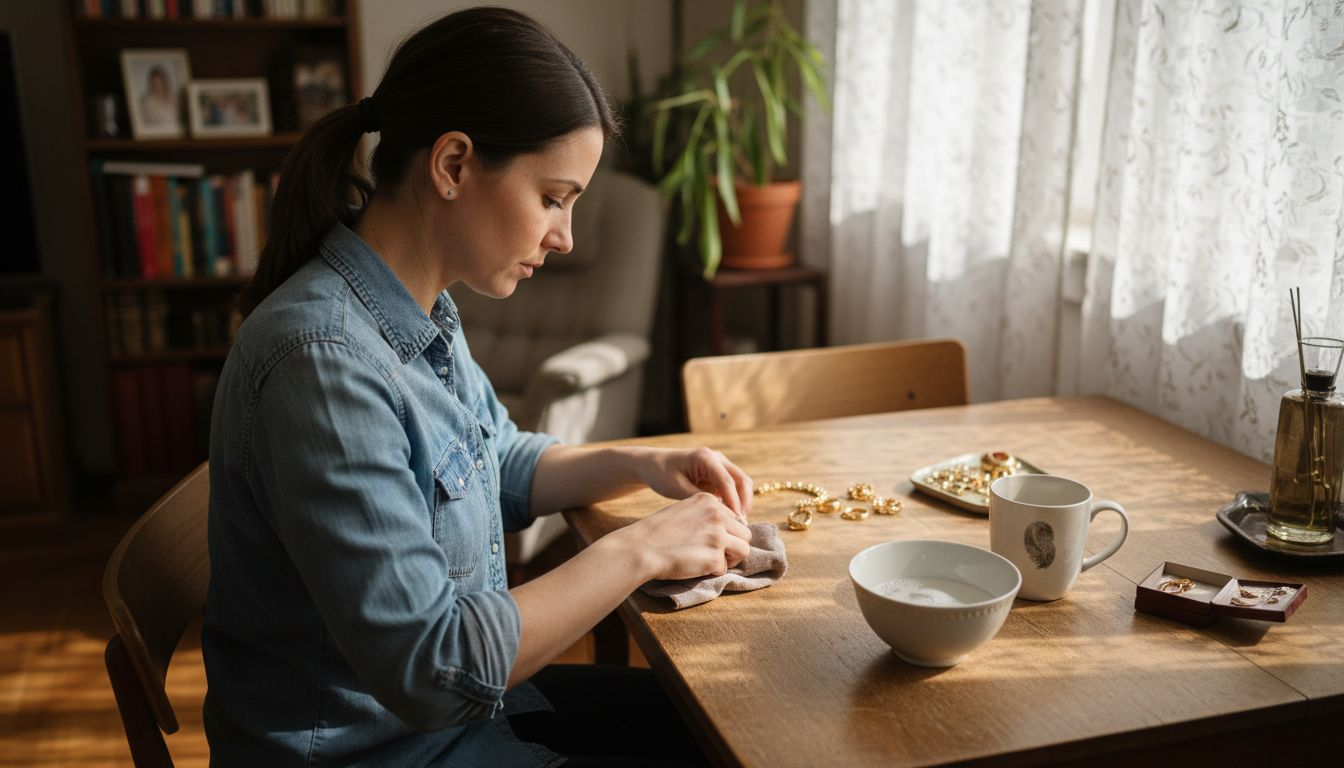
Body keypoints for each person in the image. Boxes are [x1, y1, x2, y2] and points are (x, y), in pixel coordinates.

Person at [206, 7, 754, 767]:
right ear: (454, 164)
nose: (563, 235)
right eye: (554, 197)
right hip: (387, 750)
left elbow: (494, 458)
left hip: (447, 729)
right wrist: (641, 550)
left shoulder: (418, 304)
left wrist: (638, 463)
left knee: (730, 719)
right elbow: (434, 669)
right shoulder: (323, 363)